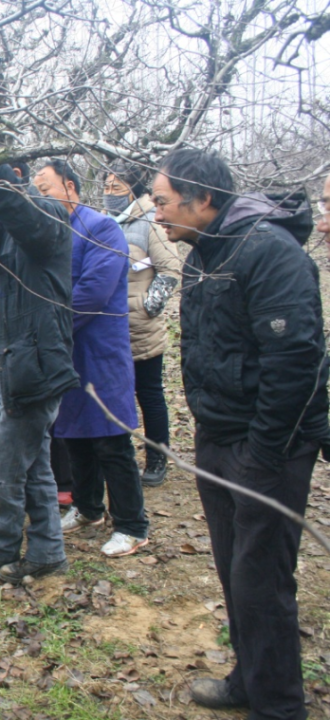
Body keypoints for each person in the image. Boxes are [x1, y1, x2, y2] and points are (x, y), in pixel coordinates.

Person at [153, 149, 329, 718]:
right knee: (235, 570)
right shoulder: (208, 249)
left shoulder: (270, 253)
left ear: (202, 199)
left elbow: (295, 361)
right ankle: (248, 679)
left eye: (162, 202)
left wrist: (264, 453)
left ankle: (279, 705)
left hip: (267, 445)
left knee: (262, 578)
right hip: (218, 434)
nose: (156, 214)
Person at [0, 163, 79, 584]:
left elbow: (30, 218)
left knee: (7, 466)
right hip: (13, 363)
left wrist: (2, 183)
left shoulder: (45, 219)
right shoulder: (5, 228)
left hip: (36, 366)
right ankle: (47, 552)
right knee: (35, 464)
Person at [33, 159, 149, 558]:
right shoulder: (46, 232)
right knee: (73, 433)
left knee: (110, 437)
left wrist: (46, 328)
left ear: (70, 187)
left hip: (98, 349)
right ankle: (88, 508)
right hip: (64, 352)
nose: (39, 196)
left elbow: (94, 294)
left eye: (45, 188)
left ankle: (133, 525)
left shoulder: (101, 228)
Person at [103, 162, 182, 487]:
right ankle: (116, 460)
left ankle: (157, 459)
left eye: (117, 188)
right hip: (107, 328)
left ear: (134, 189)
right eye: (106, 187)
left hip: (141, 329)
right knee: (112, 396)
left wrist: (147, 308)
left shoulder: (151, 221)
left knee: (149, 395)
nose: (110, 194)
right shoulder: (102, 222)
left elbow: (170, 269)